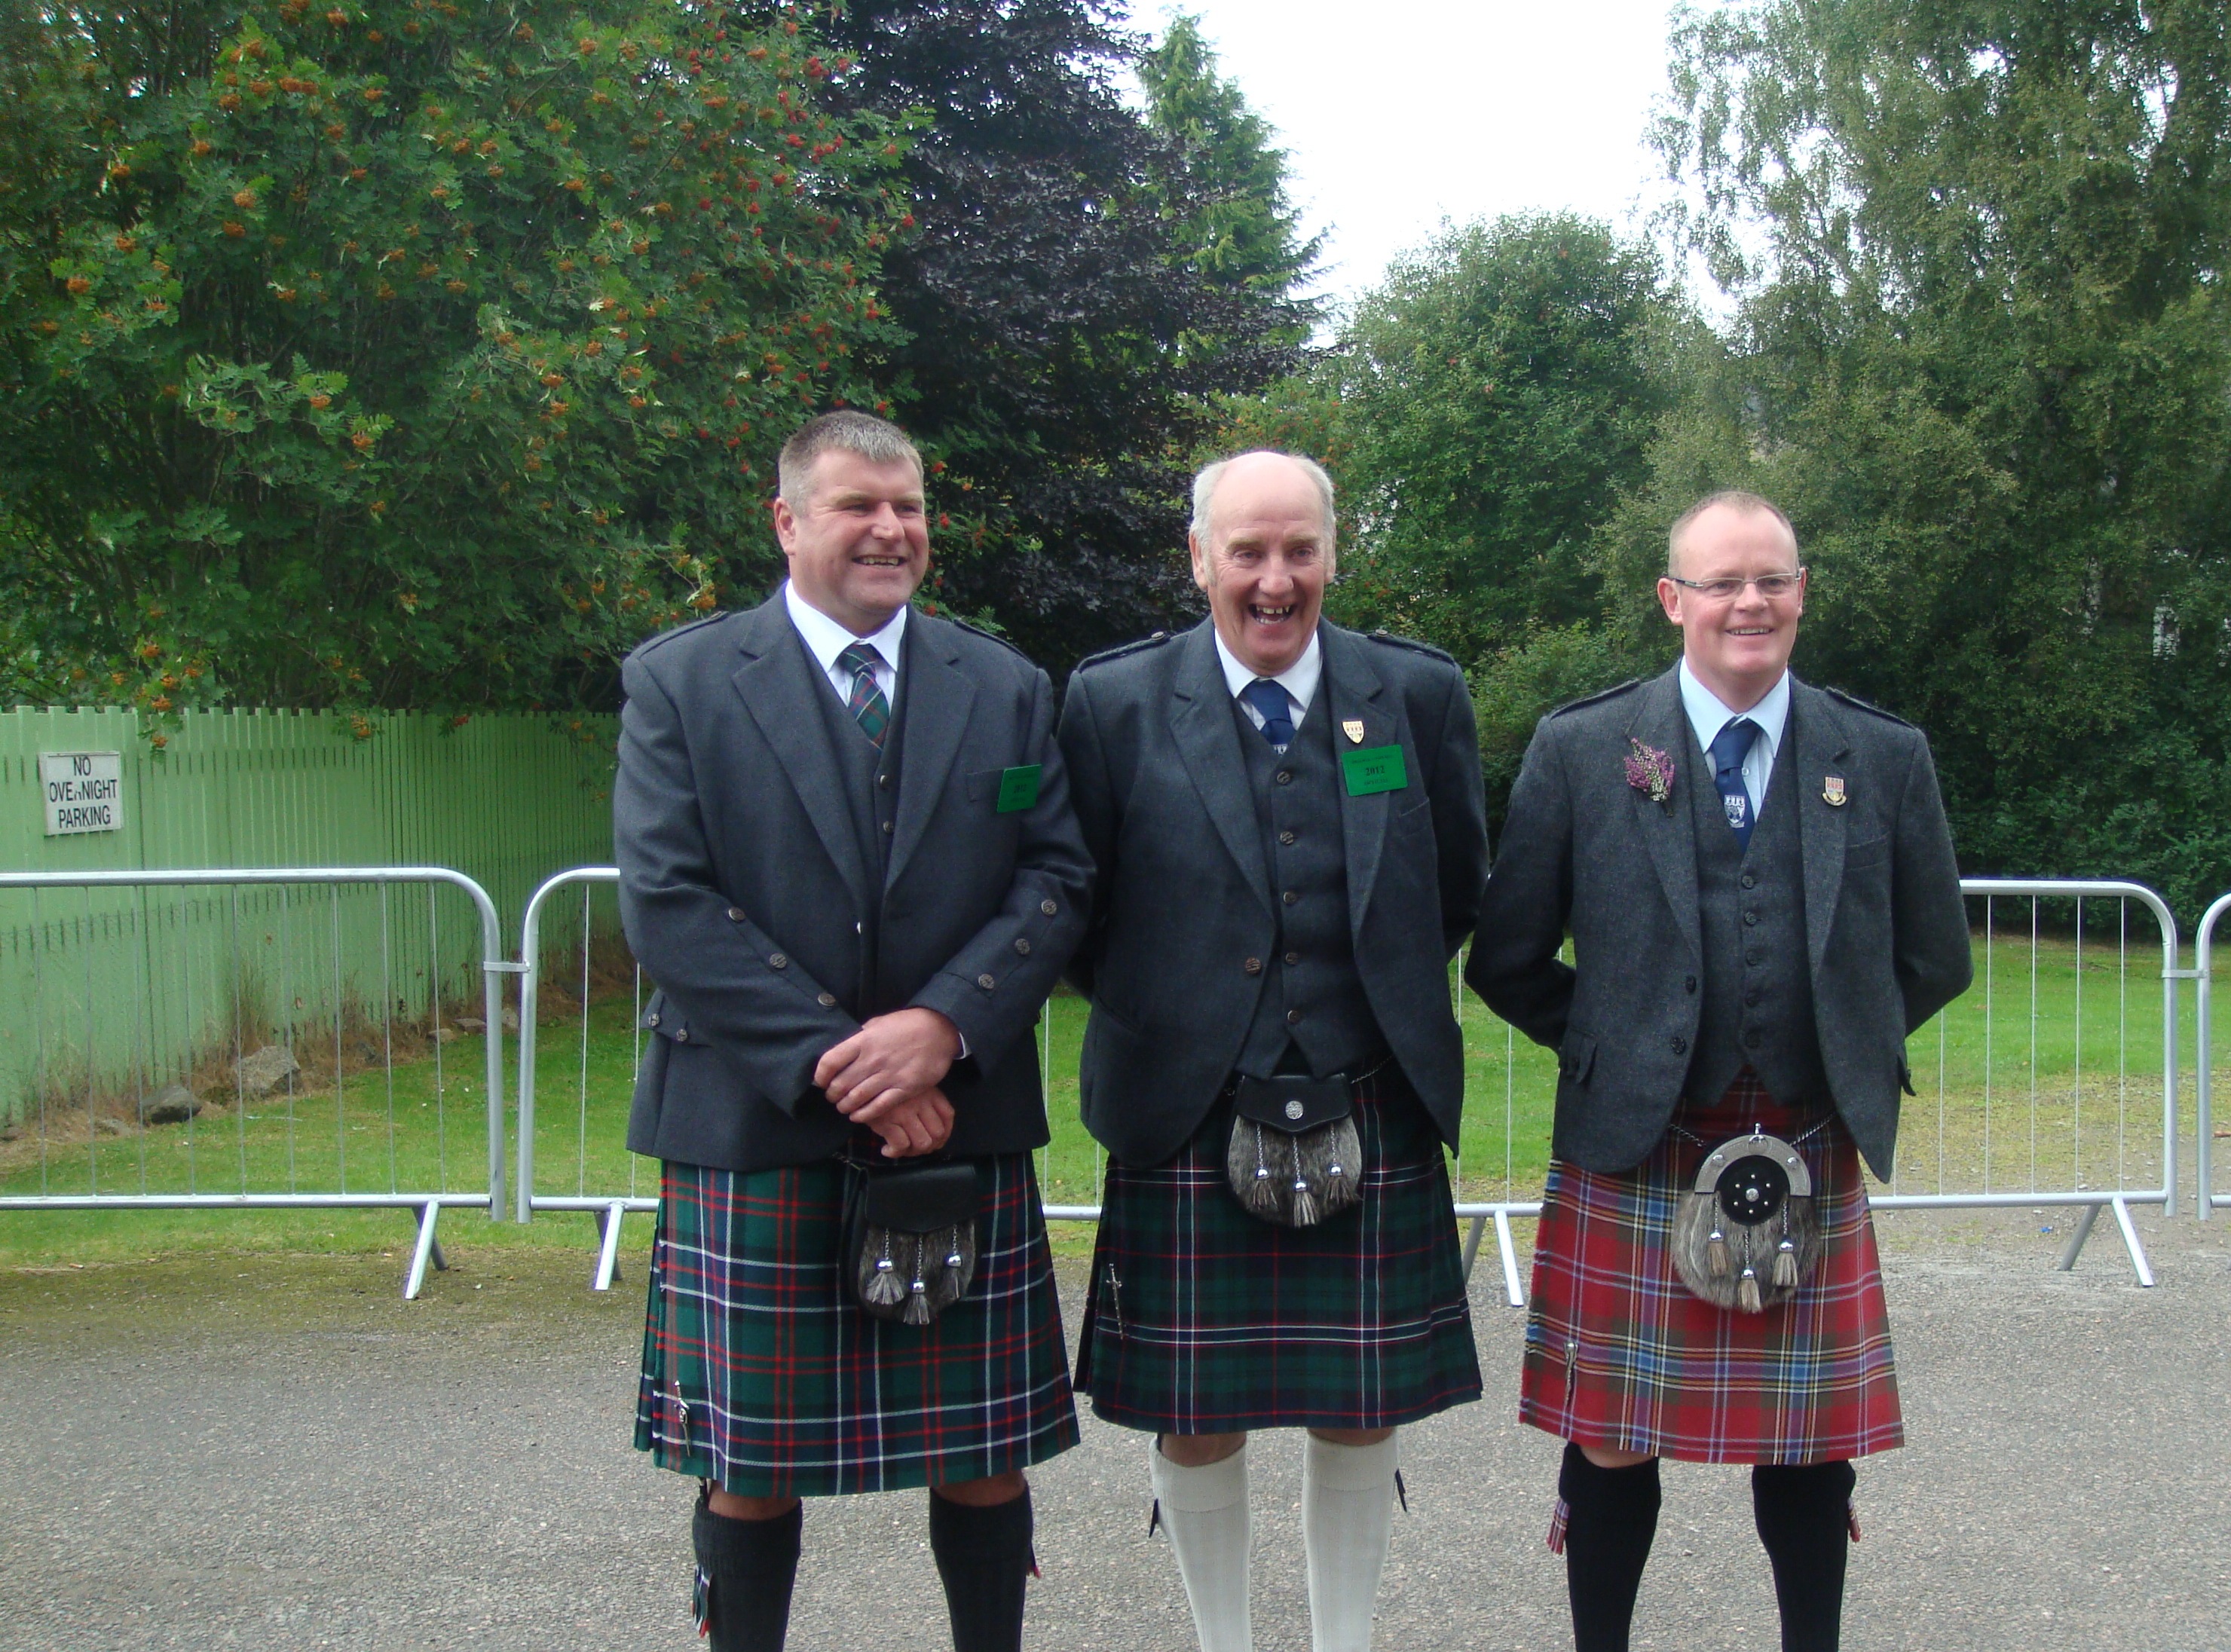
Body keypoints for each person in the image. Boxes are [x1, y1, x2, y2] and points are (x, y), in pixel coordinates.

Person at [613, 410, 1092, 1652]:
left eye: (909, 506)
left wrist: (943, 1025)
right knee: (751, 1462)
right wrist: (855, 1068)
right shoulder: (682, 682)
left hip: (957, 1117)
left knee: (982, 1451)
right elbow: (668, 901)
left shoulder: (1006, 686)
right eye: (857, 506)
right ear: (787, 522)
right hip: (757, 1123)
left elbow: (1055, 879)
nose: (891, 530)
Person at [1467, 491, 1973, 1652]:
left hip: (1805, 1135)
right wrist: (1614, 1045)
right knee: (1611, 1435)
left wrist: (1845, 1039)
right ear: (1672, 599)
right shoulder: (1585, 747)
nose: (1751, 602)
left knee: (1808, 1445)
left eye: (1772, 580)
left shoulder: (1879, 754)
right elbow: (1507, 956)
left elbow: (1936, 954)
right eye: (1723, 582)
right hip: (1635, 1145)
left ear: (1801, 593)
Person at [1057, 451, 1489, 1652]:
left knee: (1360, 1403)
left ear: (1332, 554)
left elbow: (1455, 884)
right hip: (1184, 1101)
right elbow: (1077, 907)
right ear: (1199, 558)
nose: (1275, 578)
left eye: (1300, 549)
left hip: (1371, 1087)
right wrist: (1188, 1014)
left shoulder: (1418, 694)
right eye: (1247, 550)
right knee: (1196, 1412)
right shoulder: (1114, 702)